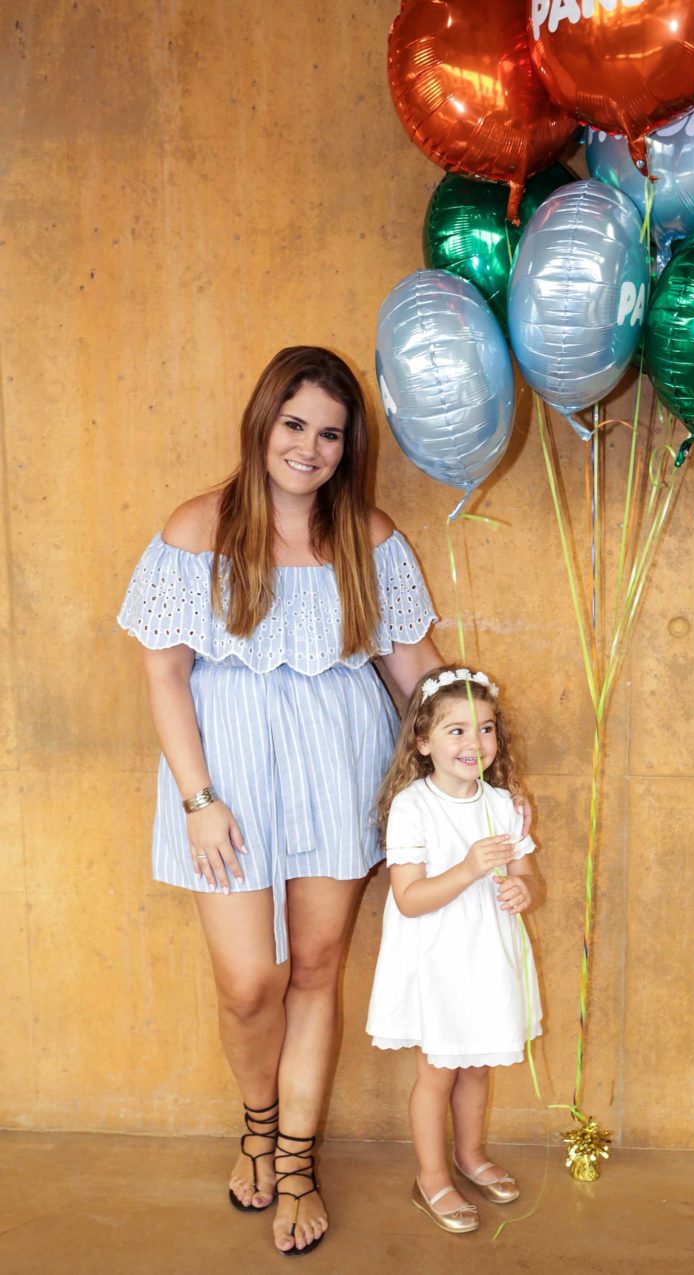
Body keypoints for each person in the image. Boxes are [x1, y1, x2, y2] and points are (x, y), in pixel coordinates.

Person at [118, 346, 443, 1255]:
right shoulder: (197, 528)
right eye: (295, 423)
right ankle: (256, 1125)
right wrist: (199, 798)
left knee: (315, 969)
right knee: (247, 982)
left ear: (349, 446)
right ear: (263, 423)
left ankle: (294, 1162)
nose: (309, 447)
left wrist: (480, 761)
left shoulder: (370, 536)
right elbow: (164, 674)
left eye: (330, 433)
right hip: (226, 778)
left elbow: (416, 670)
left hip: (337, 765)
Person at [366, 664, 542, 1235]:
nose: (475, 742)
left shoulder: (503, 804)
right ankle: (433, 1176)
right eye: (457, 730)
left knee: (477, 1068)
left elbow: (528, 875)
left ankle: (470, 1156)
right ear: (423, 741)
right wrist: (468, 868)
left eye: (485, 728)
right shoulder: (413, 807)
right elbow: (410, 898)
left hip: (487, 959)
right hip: (437, 963)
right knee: (439, 1073)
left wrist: (524, 889)